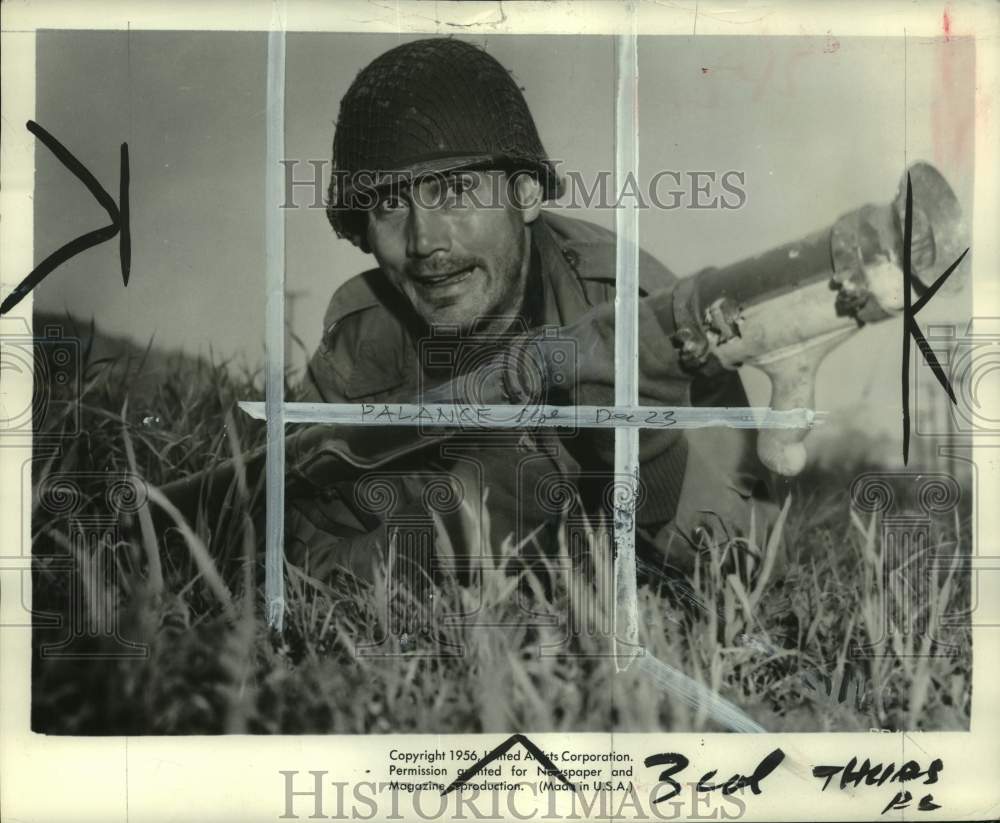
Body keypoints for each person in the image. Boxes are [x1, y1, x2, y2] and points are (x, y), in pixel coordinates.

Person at [287, 37, 777, 590]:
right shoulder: (363, 338)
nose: (425, 242)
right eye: (390, 205)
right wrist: (476, 520)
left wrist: (647, 451)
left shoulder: (635, 313)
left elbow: (749, 564)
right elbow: (294, 553)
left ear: (525, 194)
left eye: (455, 192)